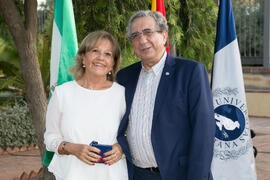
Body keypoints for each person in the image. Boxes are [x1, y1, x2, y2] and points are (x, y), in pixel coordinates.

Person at [116, 10, 215, 180]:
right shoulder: (125, 77)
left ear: (164, 36)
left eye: (148, 32)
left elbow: (204, 132)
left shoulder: (190, 72)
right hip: (136, 174)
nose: (142, 40)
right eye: (135, 35)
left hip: (178, 175)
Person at [44, 30, 128, 180]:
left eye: (108, 54)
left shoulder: (122, 94)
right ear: (83, 57)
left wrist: (121, 148)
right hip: (71, 174)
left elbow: (132, 135)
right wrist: (72, 148)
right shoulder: (63, 93)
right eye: (95, 51)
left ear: (113, 64)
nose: (100, 58)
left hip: (112, 174)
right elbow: (50, 138)